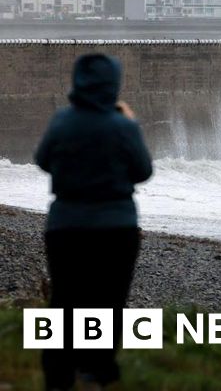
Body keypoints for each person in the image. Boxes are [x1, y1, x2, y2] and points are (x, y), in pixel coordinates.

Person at [34, 53, 153, 390]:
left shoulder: (62, 121)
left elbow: (42, 160)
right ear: (113, 84)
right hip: (116, 228)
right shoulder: (123, 126)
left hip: (66, 226)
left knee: (65, 300)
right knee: (108, 301)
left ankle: (58, 377)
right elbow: (143, 171)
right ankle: (95, 371)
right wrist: (130, 121)